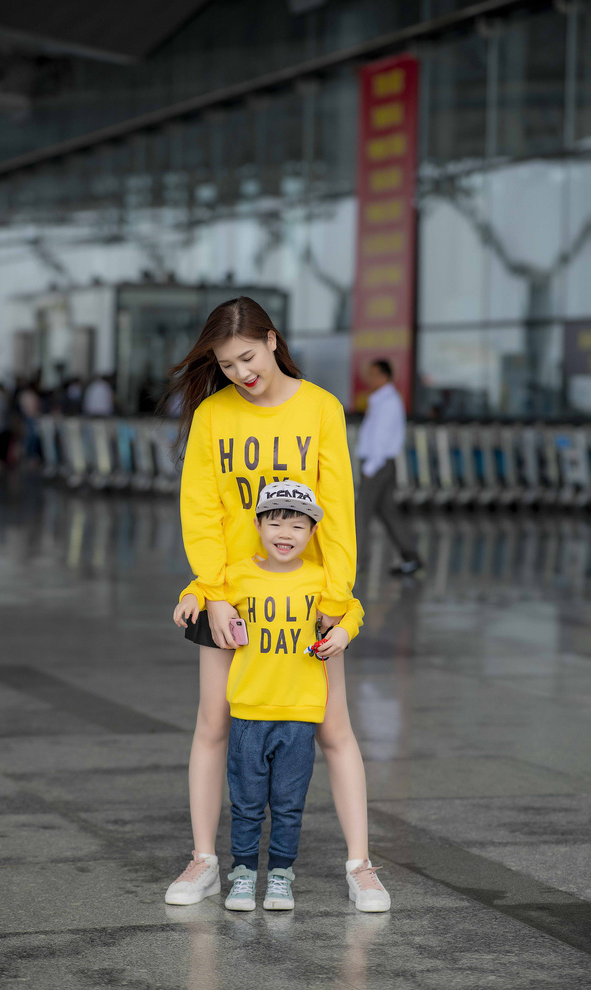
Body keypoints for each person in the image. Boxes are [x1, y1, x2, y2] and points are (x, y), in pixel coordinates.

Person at [161, 296, 387, 911]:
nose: (241, 373)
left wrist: (336, 597)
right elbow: (201, 510)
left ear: (272, 340)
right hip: (229, 597)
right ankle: (204, 860)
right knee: (214, 724)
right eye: (226, 365)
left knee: (333, 729)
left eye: (247, 357)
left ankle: (361, 866)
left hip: (305, 597)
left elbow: (337, 510)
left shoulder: (320, 408)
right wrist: (213, 593)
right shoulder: (213, 416)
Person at [174, 481, 390, 912]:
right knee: (247, 803)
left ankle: (280, 878)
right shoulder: (239, 573)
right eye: (274, 523)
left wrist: (344, 633)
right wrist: (189, 599)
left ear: (313, 532)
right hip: (248, 713)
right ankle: (241, 875)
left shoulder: (321, 581)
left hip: (300, 716)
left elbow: (353, 609)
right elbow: (204, 586)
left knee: (290, 805)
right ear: (256, 526)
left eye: (297, 525)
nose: (285, 533)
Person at [356, 359, 423, 577]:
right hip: (380, 464)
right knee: (388, 512)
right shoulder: (381, 400)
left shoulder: (388, 402)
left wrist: (370, 468)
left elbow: (381, 439)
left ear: (384, 376)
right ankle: (411, 558)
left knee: (360, 513)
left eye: (373, 374)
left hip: (377, 464)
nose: (369, 378)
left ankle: (355, 561)